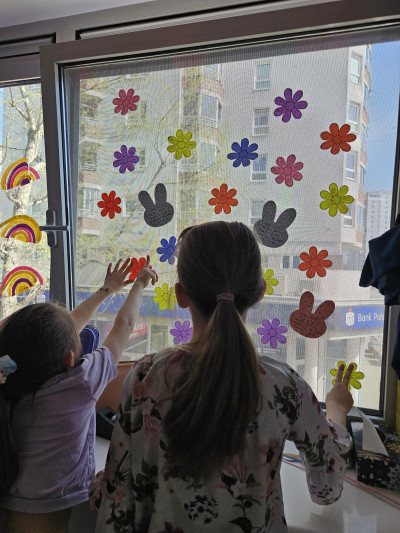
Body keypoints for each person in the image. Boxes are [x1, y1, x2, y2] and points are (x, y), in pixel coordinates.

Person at [92, 222, 353, 533]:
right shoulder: (286, 386)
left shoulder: (146, 377)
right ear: (260, 293)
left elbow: (117, 505)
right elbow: (326, 489)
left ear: (180, 295)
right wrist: (337, 411)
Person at [0, 256, 158, 533]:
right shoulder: (80, 384)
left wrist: (106, 290)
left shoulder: (9, 381)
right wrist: (139, 285)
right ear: (70, 359)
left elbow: (51, 337)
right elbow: (123, 326)